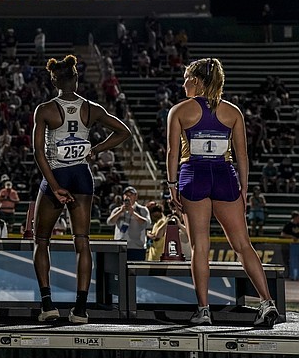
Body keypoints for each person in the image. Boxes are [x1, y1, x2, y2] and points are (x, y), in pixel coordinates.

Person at [166, 57, 281, 327]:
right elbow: (242, 155)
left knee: (200, 247)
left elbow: (172, 153)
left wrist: (171, 186)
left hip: (193, 175)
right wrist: (243, 188)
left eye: (186, 79)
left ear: (196, 80)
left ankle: (204, 310)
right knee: (242, 244)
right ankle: (266, 303)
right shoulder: (233, 112)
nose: (183, 84)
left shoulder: (180, 111)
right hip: (225, 176)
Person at [24, 54, 131, 323]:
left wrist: (55, 186)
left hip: (57, 174)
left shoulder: (46, 109)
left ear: (54, 80)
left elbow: (38, 152)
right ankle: (81, 309)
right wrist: (96, 149)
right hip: (82, 174)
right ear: (76, 78)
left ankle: (48, 305)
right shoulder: (91, 108)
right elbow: (123, 132)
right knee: (82, 241)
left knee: (42, 240)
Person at [107, 186, 152, 261]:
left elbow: (147, 224)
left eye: (131, 195)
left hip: (137, 248)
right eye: (126, 195)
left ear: (135, 196)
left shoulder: (142, 209)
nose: (128, 197)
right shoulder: (117, 210)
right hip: (121, 247)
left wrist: (133, 213)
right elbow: (109, 222)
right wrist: (120, 212)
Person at [281, 211, 299, 281]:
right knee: (293, 260)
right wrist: (291, 236)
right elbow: (282, 234)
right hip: (293, 245)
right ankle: (294, 276)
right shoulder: (289, 225)